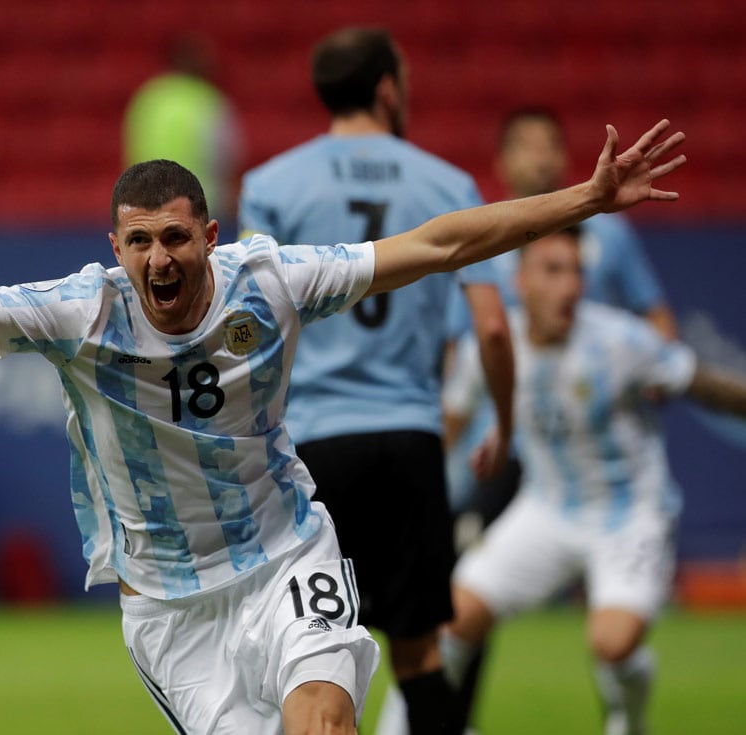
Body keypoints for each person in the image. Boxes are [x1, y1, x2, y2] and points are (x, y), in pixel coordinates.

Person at [0, 119, 684, 734]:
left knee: (326, 723)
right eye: (138, 243)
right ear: (112, 246)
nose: (157, 260)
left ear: (208, 236)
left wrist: (581, 200)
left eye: (174, 238)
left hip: (287, 551)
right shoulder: (82, 311)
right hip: (170, 610)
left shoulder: (270, 279)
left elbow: (433, 243)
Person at [238, 27, 514, 735]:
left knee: (314, 652)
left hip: (316, 449)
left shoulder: (271, 186)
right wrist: (504, 425)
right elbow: (490, 328)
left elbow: (251, 327)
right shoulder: (447, 183)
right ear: (388, 87)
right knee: (420, 658)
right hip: (413, 438)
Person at [441, 225, 746, 735]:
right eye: (553, 271)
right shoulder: (493, 344)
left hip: (629, 515)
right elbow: (449, 422)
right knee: (452, 619)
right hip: (547, 508)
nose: (570, 286)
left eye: (577, 271)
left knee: (612, 643)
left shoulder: (621, 341)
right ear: (520, 281)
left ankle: (629, 719)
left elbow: (703, 385)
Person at [434, 107, 682, 734]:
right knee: (459, 603)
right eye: (527, 147)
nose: (540, 158)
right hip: (510, 445)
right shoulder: (484, 233)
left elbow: (656, 322)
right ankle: (444, 721)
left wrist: (652, 373)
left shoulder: (607, 233)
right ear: (504, 163)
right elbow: (468, 342)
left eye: (551, 145)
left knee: (611, 636)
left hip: (588, 430)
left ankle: (623, 707)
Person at [124, 32, 244, 218]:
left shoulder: (148, 96)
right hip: (201, 206)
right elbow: (227, 159)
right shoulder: (209, 100)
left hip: (149, 203)